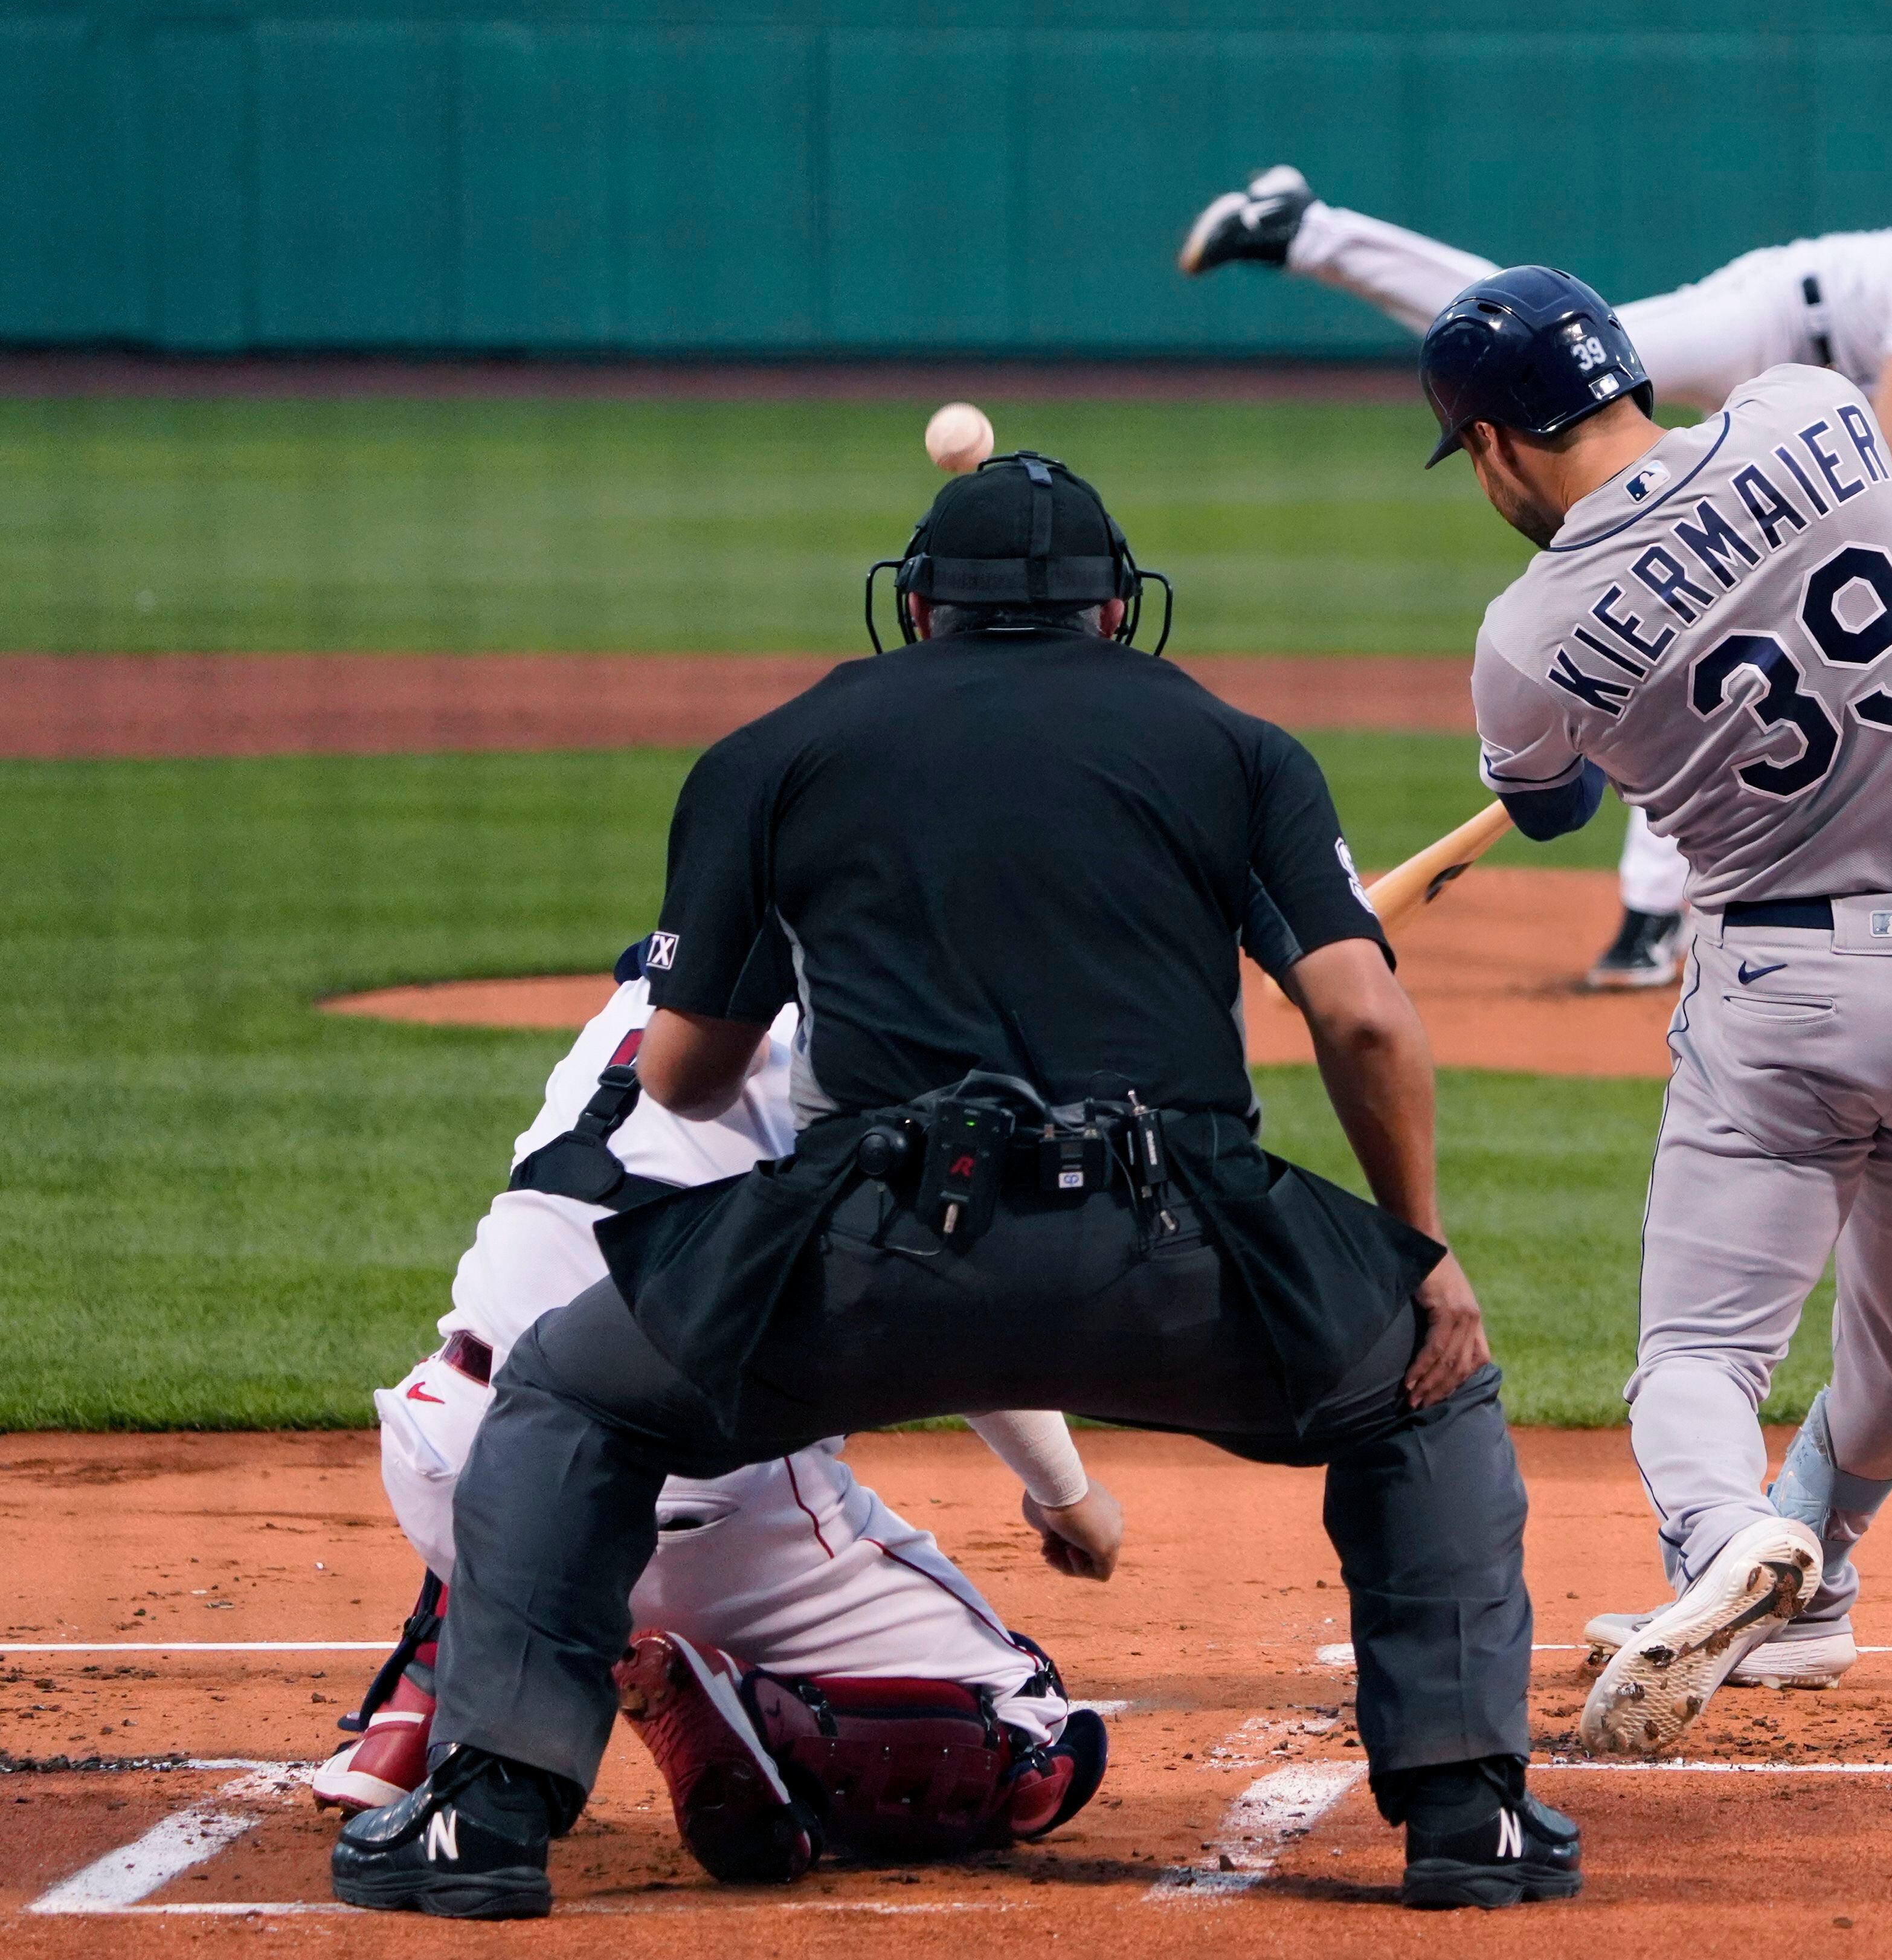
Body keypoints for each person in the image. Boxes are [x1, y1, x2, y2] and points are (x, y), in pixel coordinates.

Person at [329, 451, 1577, 1918]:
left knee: (572, 1390)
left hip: (873, 1258)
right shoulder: (1240, 752)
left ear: (915, 609)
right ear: (1119, 613)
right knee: (1426, 1390)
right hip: (1172, 1254)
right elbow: (1362, 1020)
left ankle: (486, 1820)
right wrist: (1415, 1252)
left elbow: (680, 1078)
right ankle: (1466, 1815)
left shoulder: (775, 754)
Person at [1422, 268, 1892, 1752]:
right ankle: (1813, 1581)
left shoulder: (1526, 636)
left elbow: (1552, 805)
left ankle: (1724, 1541)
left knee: (1702, 1354)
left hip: (1790, 1001)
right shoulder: (1814, 412)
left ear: (1495, 446)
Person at [1181, 132, 1892, 991]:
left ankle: (1650, 918)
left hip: (1809, 398)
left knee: (1705, 630)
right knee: (1526, 360)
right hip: (1773, 326)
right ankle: (1302, 228)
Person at [310, 946, 1116, 1881]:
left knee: (540, 1368)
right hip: (680, 1514)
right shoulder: (900, 1022)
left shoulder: (660, 983)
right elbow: (955, 1314)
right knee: (1037, 1736)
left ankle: (416, 1713)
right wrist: (1065, 1492)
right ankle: (748, 1709)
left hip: (437, 1444)